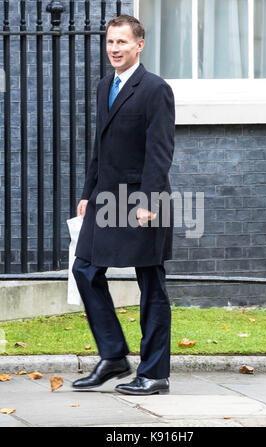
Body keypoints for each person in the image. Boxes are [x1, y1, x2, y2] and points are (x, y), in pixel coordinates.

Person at [72, 14, 175, 395]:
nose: (114, 49)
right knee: (84, 269)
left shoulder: (155, 89)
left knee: (151, 283)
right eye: (110, 42)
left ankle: (155, 373)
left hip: (143, 200)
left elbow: (160, 151)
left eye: (122, 43)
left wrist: (149, 202)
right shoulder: (105, 87)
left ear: (139, 45)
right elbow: (101, 145)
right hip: (105, 198)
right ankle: (114, 356)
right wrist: (87, 191)